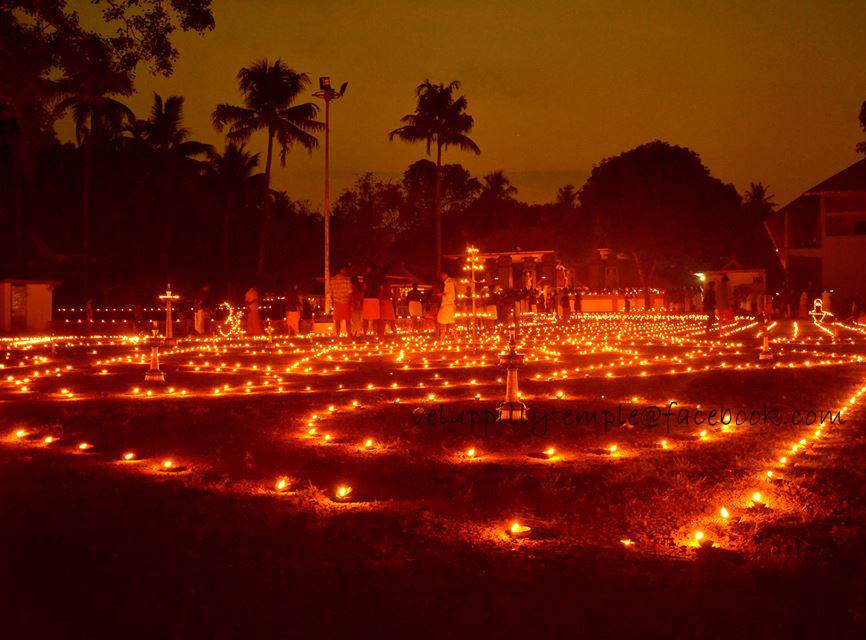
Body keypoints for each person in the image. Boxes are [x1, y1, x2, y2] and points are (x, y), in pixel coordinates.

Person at [331, 265, 353, 337]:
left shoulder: (333, 280)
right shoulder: (347, 280)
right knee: (348, 320)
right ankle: (349, 334)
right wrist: (350, 302)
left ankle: (337, 335)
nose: (346, 271)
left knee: (337, 321)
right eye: (344, 269)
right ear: (341, 270)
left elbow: (331, 292)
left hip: (337, 302)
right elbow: (350, 292)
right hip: (346, 302)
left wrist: (332, 301)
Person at [361, 264, 382, 336]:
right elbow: (381, 289)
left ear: (369, 269)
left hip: (367, 299)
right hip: (375, 299)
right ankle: (375, 335)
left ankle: (364, 335)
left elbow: (364, 288)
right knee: (375, 319)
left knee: (366, 319)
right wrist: (379, 299)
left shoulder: (366, 277)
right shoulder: (378, 277)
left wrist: (362, 298)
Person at [437, 269, 457, 339]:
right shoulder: (448, 282)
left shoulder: (449, 282)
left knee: (449, 320)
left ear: (446, 275)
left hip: (448, 304)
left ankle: (454, 335)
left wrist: (441, 294)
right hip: (447, 304)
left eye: (442, 275)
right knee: (444, 320)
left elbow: (450, 294)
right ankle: (443, 335)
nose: (441, 277)